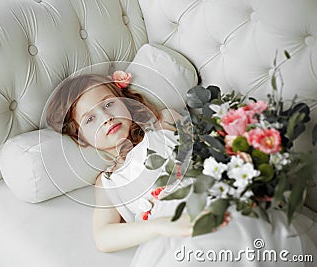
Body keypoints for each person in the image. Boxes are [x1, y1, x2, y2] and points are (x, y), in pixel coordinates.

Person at [47, 72, 317, 266]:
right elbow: (103, 237)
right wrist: (161, 226)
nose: (106, 119)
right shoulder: (107, 182)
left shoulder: (163, 123)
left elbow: (213, 147)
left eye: (108, 104)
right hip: (171, 227)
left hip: (213, 195)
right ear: (81, 137)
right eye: (91, 119)